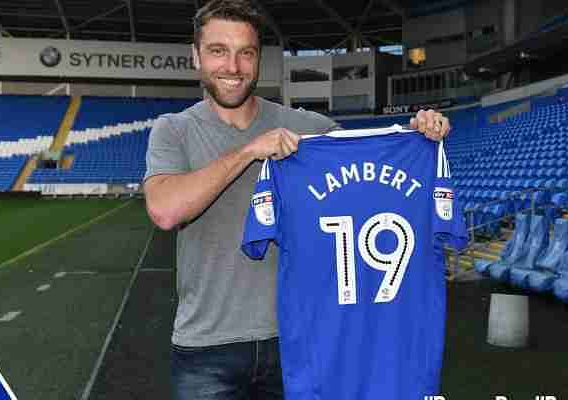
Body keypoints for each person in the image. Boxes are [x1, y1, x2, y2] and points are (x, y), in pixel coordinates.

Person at [143, 1, 452, 399]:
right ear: (196, 56)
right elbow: (165, 211)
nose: (233, 67)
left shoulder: (309, 128)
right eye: (218, 51)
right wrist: (250, 150)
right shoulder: (174, 130)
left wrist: (416, 135)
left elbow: (371, 166)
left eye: (246, 53)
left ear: (259, 59)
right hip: (206, 346)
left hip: (298, 341)